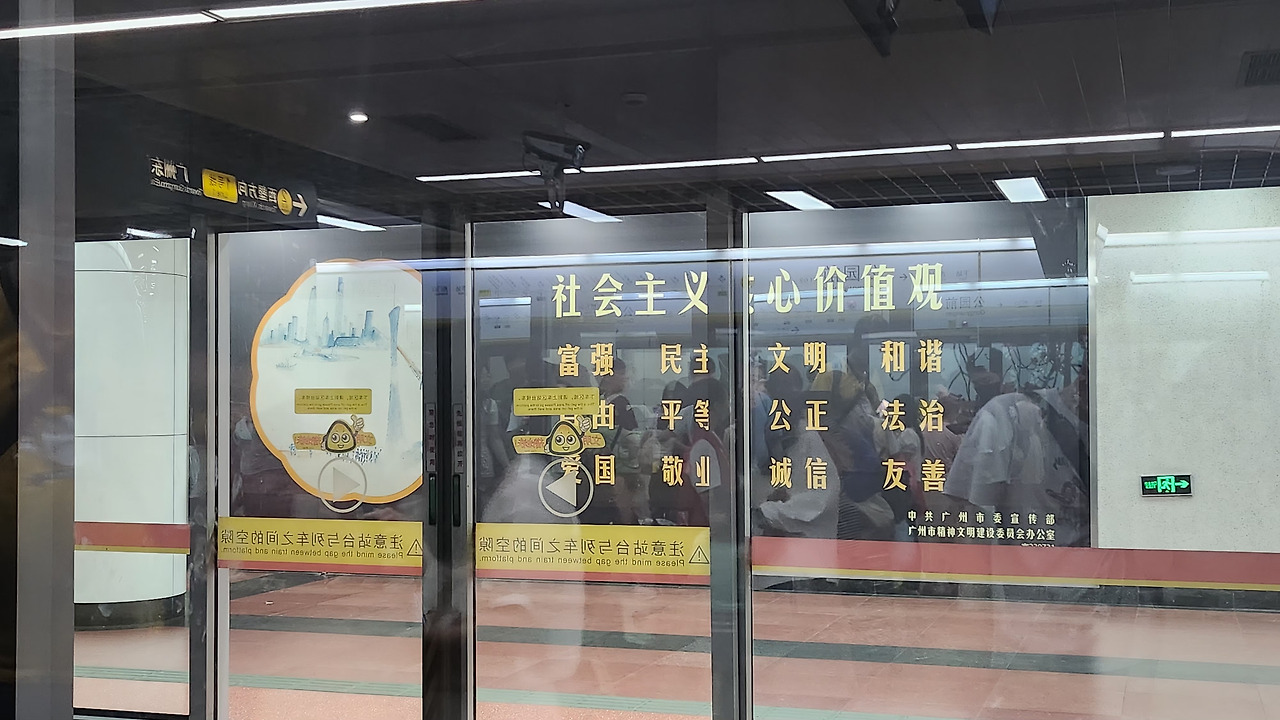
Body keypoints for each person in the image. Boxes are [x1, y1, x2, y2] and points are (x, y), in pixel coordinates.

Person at [943, 339, 1090, 547]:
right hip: (1022, 561)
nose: (980, 388)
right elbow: (972, 506)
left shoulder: (1100, 427)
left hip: (1089, 561)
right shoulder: (1001, 414)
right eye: (978, 383)